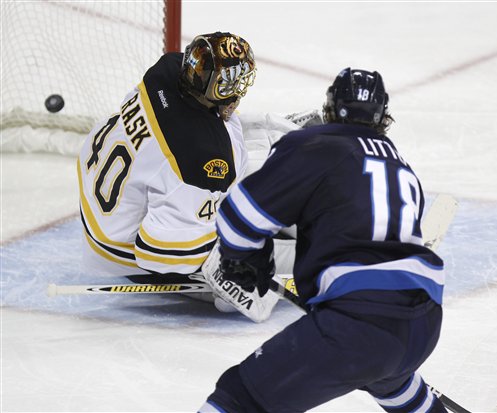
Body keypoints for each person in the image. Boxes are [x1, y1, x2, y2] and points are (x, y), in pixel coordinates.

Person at [199, 68, 448, 412]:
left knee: (240, 396)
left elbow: (238, 217)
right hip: (422, 324)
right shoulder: (400, 165)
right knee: (397, 385)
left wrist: (242, 258)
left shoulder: (317, 144)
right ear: (382, 115)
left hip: (358, 324)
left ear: (330, 105)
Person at [77, 32, 286, 322]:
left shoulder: (169, 68)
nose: (238, 90)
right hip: (117, 249)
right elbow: (159, 254)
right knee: (259, 239)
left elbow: (190, 130)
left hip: (96, 193)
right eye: (231, 83)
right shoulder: (201, 156)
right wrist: (231, 262)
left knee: (232, 146)